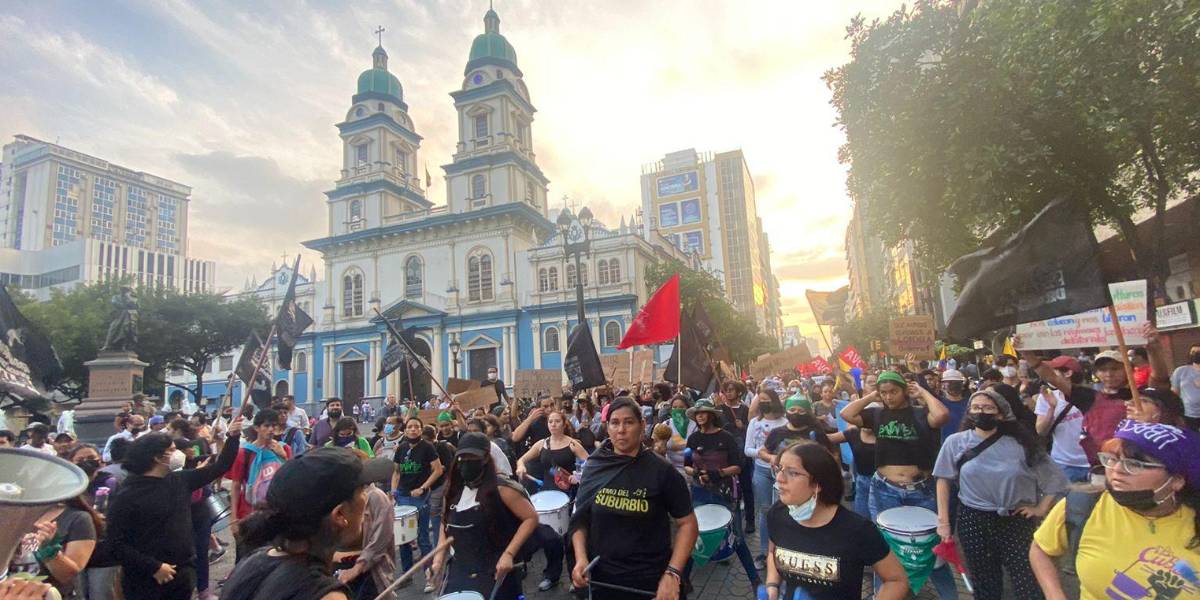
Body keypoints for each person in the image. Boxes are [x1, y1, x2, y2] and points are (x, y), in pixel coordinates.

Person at [1030, 419, 1200, 600]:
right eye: (1112, 459)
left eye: (1135, 464)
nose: (1117, 470)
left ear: (1176, 480)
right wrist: (1054, 595)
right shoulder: (1084, 504)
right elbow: (1040, 549)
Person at [933, 388, 1067, 600]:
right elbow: (943, 480)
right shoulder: (956, 442)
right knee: (984, 582)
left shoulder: (1023, 444)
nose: (982, 412)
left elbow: (1055, 478)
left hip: (1016, 521)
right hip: (972, 519)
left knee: (1027, 582)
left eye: (988, 408)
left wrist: (1041, 507)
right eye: (976, 408)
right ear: (969, 412)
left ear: (1002, 414)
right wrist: (943, 522)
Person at [840, 370, 956, 599]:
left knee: (932, 549)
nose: (889, 397)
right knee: (883, 549)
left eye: (893, 391)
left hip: (921, 490)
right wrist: (871, 395)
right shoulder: (877, 414)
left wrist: (921, 391)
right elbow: (847, 413)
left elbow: (942, 415)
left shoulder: (921, 414)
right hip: (884, 490)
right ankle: (883, 593)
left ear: (904, 390)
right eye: (884, 393)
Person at [221, 447, 392, 600]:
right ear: (339, 515)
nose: (366, 496)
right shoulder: (327, 596)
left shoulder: (248, 563)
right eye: (362, 489)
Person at [569, 397, 698, 600]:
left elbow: (688, 524)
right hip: (602, 580)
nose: (621, 430)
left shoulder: (662, 471)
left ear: (642, 426)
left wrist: (673, 573)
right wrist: (580, 557)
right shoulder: (595, 466)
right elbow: (580, 518)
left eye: (629, 422)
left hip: (650, 582)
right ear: (607, 427)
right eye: (615, 423)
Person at [107, 418, 243, 600]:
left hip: (182, 572)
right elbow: (116, 544)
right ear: (157, 457)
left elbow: (220, 467)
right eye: (171, 451)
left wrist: (232, 437)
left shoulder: (179, 480)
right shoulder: (127, 494)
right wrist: (153, 567)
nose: (177, 454)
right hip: (147, 578)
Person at [765, 441, 908, 600]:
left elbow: (896, 580)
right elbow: (773, 552)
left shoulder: (857, 530)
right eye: (779, 468)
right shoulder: (777, 515)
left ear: (818, 484)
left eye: (792, 473)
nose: (779, 478)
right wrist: (772, 587)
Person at [429, 432, 537, 600]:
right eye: (462, 458)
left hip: (494, 568)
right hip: (461, 568)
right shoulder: (453, 491)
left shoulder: (502, 488)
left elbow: (531, 518)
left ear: (486, 458)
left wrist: (509, 554)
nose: (465, 463)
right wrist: (437, 561)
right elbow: (445, 527)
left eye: (472, 458)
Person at [684, 398, 761, 588]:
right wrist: (695, 473)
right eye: (697, 413)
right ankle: (683, 580)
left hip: (725, 493)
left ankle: (754, 580)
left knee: (737, 537)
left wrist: (717, 473)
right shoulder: (693, 438)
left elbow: (738, 467)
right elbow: (686, 464)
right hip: (699, 492)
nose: (699, 415)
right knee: (695, 535)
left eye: (703, 412)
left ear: (712, 415)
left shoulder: (726, 437)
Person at [514, 410, 590, 591]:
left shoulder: (573, 444)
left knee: (570, 539)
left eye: (557, 421)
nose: (553, 424)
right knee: (549, 539)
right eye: (550, 421)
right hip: (548, 495)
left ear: (564, 424)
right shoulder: (542, 444)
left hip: (569, 496)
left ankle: (575, 577)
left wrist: (577, 476)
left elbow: (590, 465)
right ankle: (552, 575)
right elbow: (521, 459)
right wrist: (521, 466)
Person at [228, 407, 292, 562]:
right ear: (257, 428)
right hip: (249, 513)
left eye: (274, 426)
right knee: (247, 557)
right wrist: (234, 518)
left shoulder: (284, 448)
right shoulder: (245, 453)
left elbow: (292, 476)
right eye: (266, 426)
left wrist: (283, 456)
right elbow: (236, 486)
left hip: (277, 512)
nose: (270, 430)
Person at [390, 416, 443, 588]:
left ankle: (430, 576)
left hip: (421, 498)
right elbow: (396, 472)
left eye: (417, 427)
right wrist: (393, 491)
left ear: (421, 430)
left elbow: (438, 469)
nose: (413, 429)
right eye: (410, 427)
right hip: (403, 497)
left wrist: (423, 487)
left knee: (422, 538)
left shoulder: (427, 447)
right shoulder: (401, 448)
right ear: (405, 430)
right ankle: (406, 575)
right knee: (404, 538)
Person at [332, 461, 396, 600]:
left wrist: (357, 568)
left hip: (368, 572)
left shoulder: (376, 497)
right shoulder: (333, 500)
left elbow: (381, 539)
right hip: (337, 570)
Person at [744, 390, 786, 566]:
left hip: (783, 473)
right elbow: (747, 449)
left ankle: (782, 551)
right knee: (765, 511)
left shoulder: (785, 422)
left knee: (783, 512)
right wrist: (763, 455)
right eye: (760, 401)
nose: (763, 403)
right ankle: (764, 552)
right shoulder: (755, 423)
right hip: (761, 472)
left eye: (767, 400)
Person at [1034, 356, 1090, 482]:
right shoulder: (1046, 397)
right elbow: (1041, 431)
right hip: (1064, 465)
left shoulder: (1091, 395)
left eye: (1052, 371)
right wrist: (1051, 409)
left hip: (1094, 462)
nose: (1048, 376)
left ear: (1068, 373)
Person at [661, 394, 695, 479]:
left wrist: (679, 446)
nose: (678, 410)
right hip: (671, 469)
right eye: (675, 407)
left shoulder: (694, 425)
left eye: (681, 407)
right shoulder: (666, 425)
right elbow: (658, 447)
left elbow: (695, 447)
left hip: (690, 470)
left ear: (687, 408)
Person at [1171, 342, 1200, 430]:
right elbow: (1174, 393)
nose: (1196, 355)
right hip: (1189, 415)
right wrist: (1176, 414)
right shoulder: (1181, 371)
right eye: (1193, 352)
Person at [937, 369, 969, 441]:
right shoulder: (938, 402)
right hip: (947, 446)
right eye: (950, 382)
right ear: (942, 385)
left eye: (956, 383)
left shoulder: (971, 403)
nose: (953, 385)